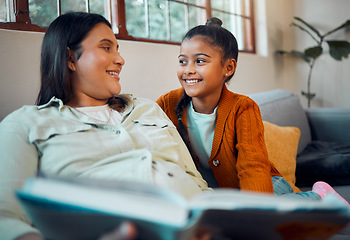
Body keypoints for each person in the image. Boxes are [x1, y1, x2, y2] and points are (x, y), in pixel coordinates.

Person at [0, 12, 210, 240]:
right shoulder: (26, 123)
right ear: (70, 58)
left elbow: (196, 181)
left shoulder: (148, 109)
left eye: (117, 49)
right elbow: (5, 218)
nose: (120, 59)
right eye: (106, 47)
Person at [156, 17, 350, 205]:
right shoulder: (167, 103)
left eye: (200, 61)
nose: (188, 70)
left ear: (229, 67)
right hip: (218, 194)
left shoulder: (243, 108)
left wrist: (256, 209)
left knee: (267, 217)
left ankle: (320, 197)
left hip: (263, 186)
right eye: (183, 61)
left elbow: (253, 167)